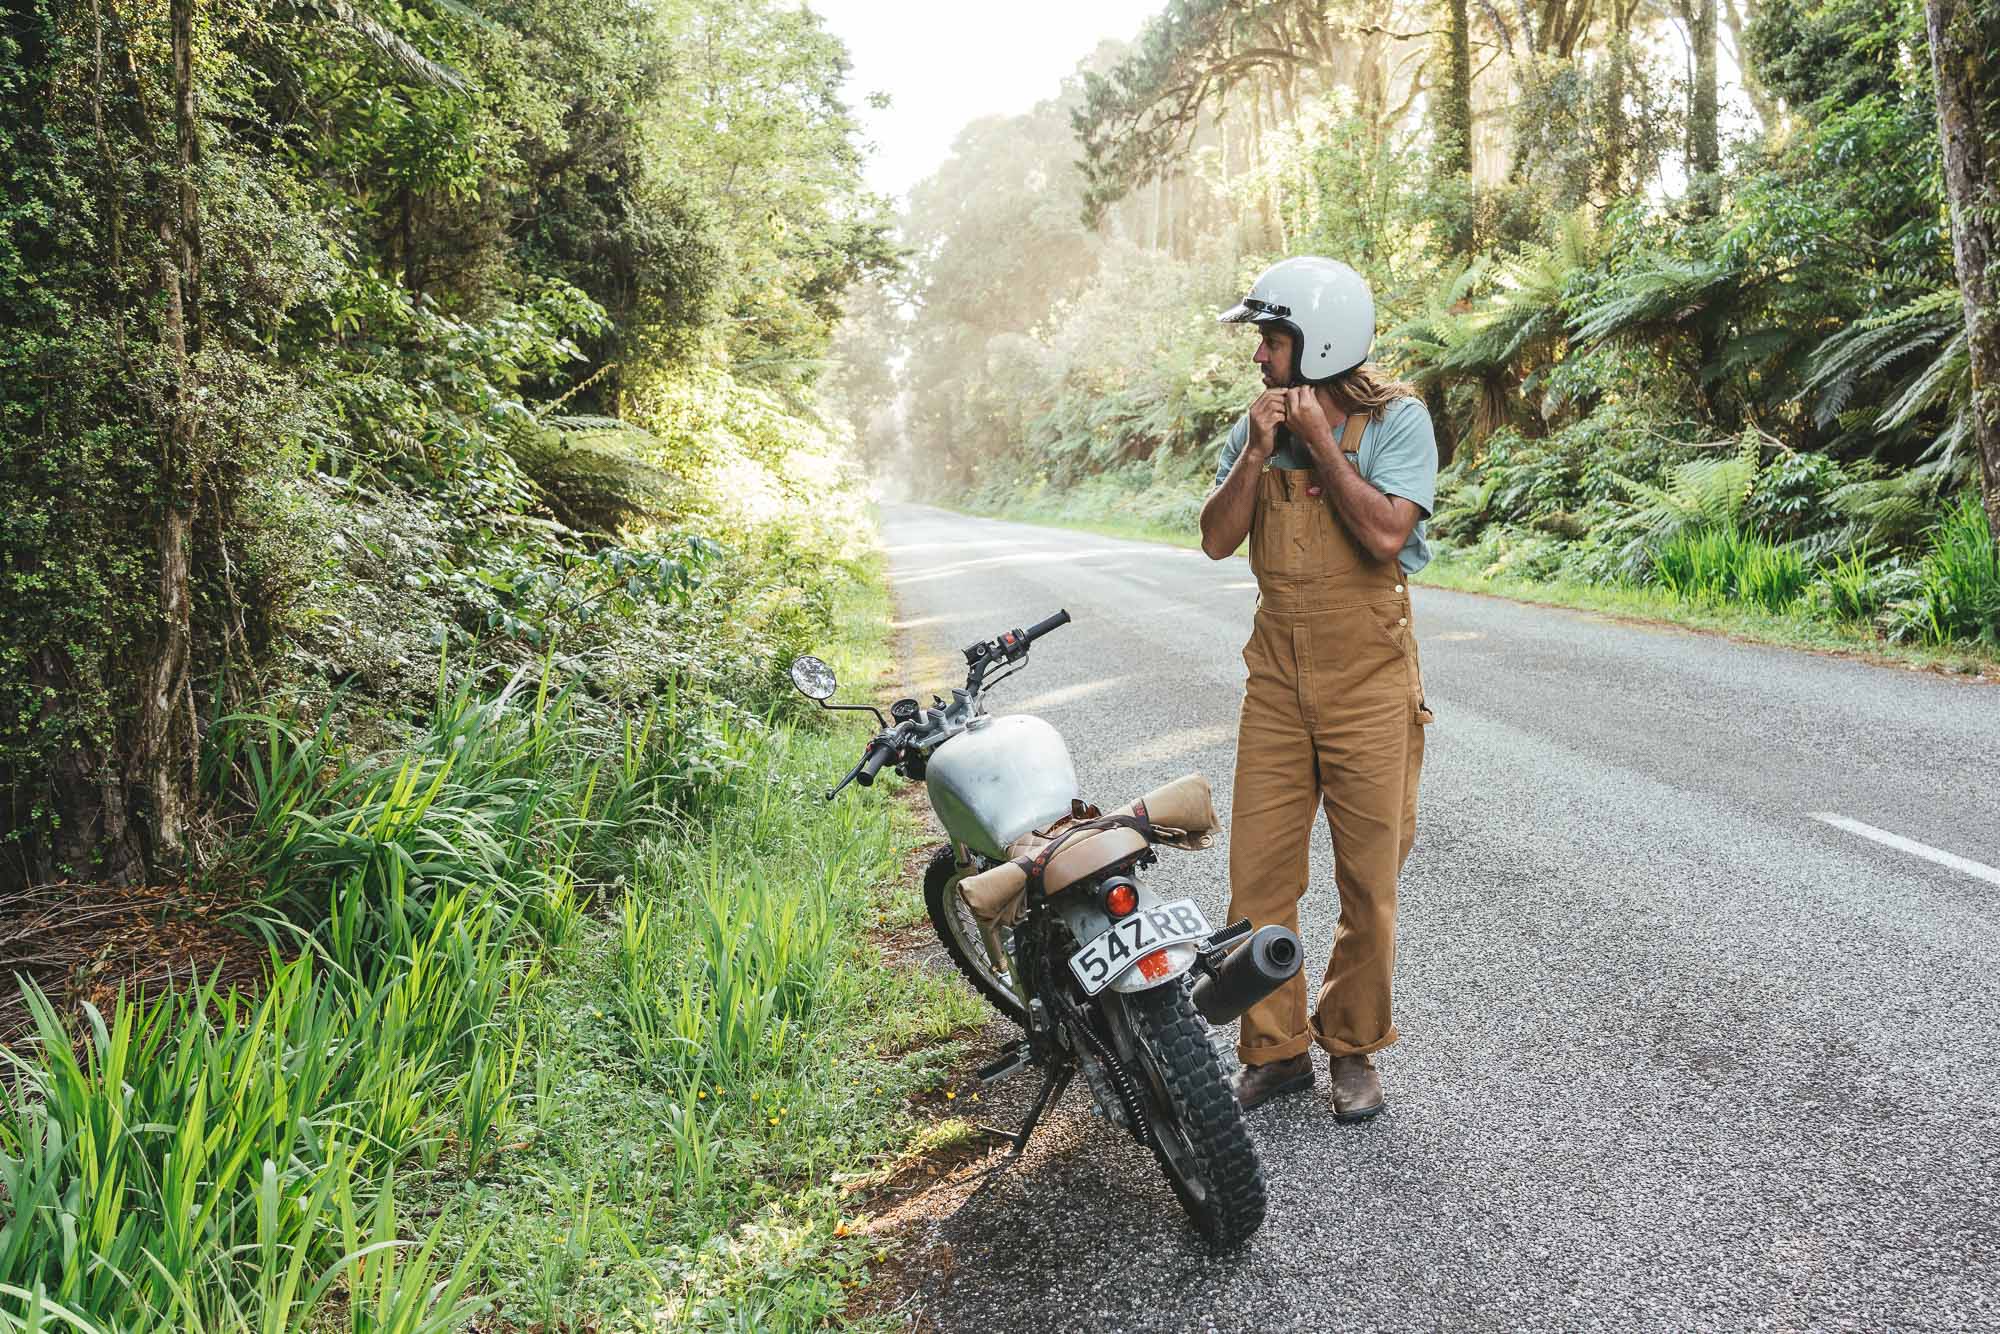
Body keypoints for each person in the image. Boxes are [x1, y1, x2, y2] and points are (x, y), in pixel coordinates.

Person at [1199, 256, 1438, 1121]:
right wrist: (1259, 451)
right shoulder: (1252, 429)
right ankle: (1275, 1050)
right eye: (1262, 340)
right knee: (1257, 880)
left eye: (1272, 339)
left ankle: (1354, 1049)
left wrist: (1324, 448)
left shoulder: (1397, 424)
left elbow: (1383, 535)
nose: (1260, 357)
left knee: (1368, 886)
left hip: (1370, 687)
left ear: (1320, 339)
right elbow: (1216, 541)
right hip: (1274, 686)